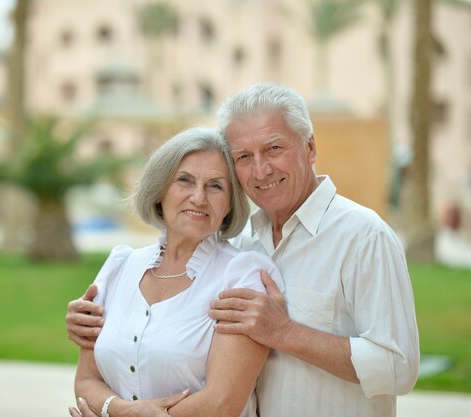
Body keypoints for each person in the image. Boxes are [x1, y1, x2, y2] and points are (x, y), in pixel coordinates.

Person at [67, 83, 420, 417]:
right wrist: (95, 323)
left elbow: (398, 367)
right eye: (244, 156)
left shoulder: (364, 237)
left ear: (310, 148)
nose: (261, 169)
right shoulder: (245, 244)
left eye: (274, 148)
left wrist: (285, 332)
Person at [69, 126, 284, 417]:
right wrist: (120, 410)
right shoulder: (119, 267)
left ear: (230, 203)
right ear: (159, 191)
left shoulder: (242, 276)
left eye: (216, 186)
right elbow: (86, 380)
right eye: (185, 180)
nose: (199, 197)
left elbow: (222, 403)